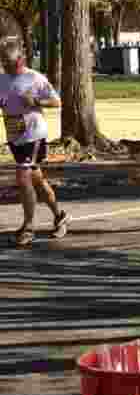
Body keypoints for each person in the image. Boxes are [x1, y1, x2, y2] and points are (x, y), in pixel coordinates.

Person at [0, 41, 69, 247]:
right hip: (14, 135)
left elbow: (57, 102)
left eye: (9, 63)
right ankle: (60, 215)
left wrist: (36, 102)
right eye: (3, 63)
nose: (5, 67)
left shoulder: (34, 78)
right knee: (36, 180)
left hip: (34, 135)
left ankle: (28, 227)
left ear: (20, 60)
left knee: (23, 177)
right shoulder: (2, 79)